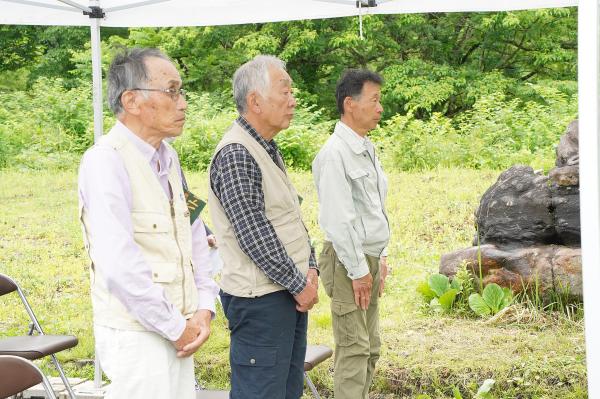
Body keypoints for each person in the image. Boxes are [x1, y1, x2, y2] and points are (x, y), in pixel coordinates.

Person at [78, 48, 219, 399]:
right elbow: (119, 265)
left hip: (181, 328)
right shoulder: (106, 163)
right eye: (172, 91)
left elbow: (195, 233)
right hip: (139, 337)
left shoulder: (169, 159)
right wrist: (176, 327)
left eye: (181, 91)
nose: (183, 103)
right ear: (132, 100)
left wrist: (204, 308)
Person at [208, 55, 319, 399]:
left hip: (285, 293)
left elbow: (289, 219)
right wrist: (299, 283)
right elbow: (254, 234)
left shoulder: (266, 147)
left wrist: (310, 267)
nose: (293, 100)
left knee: (286, 391)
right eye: (284, 91)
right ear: (254, 101)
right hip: (262, 301)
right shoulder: (237, 152)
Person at [312, 69, 391, 399]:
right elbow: (338, 219)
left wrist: (381, 257)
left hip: (368, 256)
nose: (380, 107)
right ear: (349, 103)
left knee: (371, 347)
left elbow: (374, 208)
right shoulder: (335, 154)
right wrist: (359, 271)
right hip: (348, 262)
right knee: (354, 348)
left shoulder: (365, 147)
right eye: (374, 100)